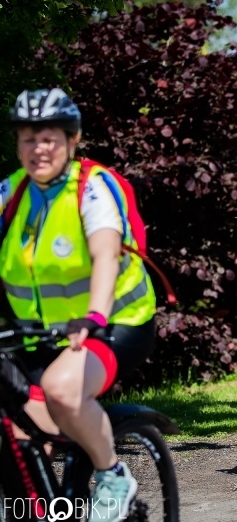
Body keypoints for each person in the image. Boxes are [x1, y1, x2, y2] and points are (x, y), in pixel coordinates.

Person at [2, 88, 157, 522]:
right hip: (40, 333)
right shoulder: (10, 194)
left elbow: (106, 254)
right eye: (28, 139)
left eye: (49, 138)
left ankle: (113, 474)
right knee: (16, 429)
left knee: (62, 392)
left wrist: (94, 315)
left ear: (72, 141)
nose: (38, 149)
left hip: (115, 323)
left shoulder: (92, 189)